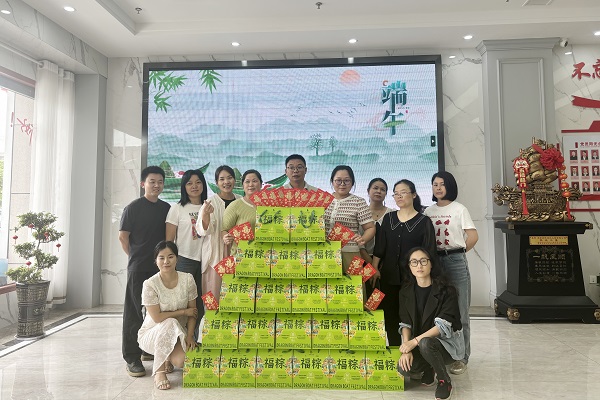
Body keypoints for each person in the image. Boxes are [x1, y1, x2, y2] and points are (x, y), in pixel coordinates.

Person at [424, 171, 478, 375]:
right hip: (435, 261)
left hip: (455, 261)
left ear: (450, 186)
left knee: (461, 311)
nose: (438, 188)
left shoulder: (459, 209)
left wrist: (459, 253)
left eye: (442, 184)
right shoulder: (428, 211)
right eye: (435, 184)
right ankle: (442, 353)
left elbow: (472, 236)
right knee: (437, 310)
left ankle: (462, 357)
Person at [119, 166, 171, 377]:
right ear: (143, 184)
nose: (156, 185)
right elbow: (123, 237)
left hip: (160, 268)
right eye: (152, 181)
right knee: (134, 312)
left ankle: (146, 348)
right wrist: (135, 257)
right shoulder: (133, 208)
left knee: (155, 311)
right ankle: (132, 357)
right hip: (138, 267)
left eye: (160, 182)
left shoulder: (166, 208)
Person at [371, 179, 436, 346]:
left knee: (413, 315)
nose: (399, 196)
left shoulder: (424, 222)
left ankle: (413, 351)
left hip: (413, 279)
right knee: (390, 315)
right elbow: (380, 247)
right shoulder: (388, 218)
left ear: (413, 195)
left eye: (403, 192)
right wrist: (375, 268)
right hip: (389, 277)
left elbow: (430, 252)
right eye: (396, 194)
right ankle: (394, 350)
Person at [397, 247, 464, 400]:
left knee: (426, 343)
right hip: (421, 344)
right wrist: (406, 349)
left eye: (423, 261)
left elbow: (442, 327)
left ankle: (444, 381)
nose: (419, 266)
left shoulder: (447, 290)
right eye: (414, 262)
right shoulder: (405, 292)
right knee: (404, 369)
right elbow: (405, 323)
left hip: (445, 346)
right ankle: (429, 367)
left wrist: (414, 342)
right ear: (409, 266)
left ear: (431, 264)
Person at [138, 241, 198, 390]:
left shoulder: (188, 279)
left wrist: (190, 336)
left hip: (177, 333)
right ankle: (159, 372)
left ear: (177, 258)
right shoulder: (150, 284)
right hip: (152, 333)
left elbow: (193, 312)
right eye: (161, 258)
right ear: (156, 261)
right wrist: (182, 312)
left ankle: (167, 358)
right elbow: (157, 318)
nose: (166, 261)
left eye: (170, 256)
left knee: (181, 361)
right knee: (170, 321)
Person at [165, 169, 212, 340]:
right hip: (184, 260)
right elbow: (169, 241)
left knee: (200, 303)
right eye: (189, 183)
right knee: (181, 303)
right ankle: (177, 341)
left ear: (203, 185)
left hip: (206, 261)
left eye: (198, 182)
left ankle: (194, 340)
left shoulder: (209, 207)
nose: (194, 186)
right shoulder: (177, 209)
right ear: (183, 186)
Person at [195, 165, 241, 304]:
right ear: (216, 182)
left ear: (234, 180)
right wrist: (205, 215)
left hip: (236, 254)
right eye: (222, 179)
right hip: (215, 255)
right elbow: (201, 230)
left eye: (229, 178)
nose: (226, 182)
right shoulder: (210, 203)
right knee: (212, 297)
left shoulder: (241, 200)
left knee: (235, 296)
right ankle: (210, 317)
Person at [324, 165, 375, 273]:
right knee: (327, 283)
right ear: (332, 181)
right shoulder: (324, 199)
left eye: (347, 181)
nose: (342, 184)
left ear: (352, 182)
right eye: (338, 180)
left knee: (352, 283)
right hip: (325, 253)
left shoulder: (358, 202)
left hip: (350, 252)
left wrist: (362, 239)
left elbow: (370, 228)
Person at [222, 169, 263, 254]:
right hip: (241, 257)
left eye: (254, 181)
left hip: (264, 256)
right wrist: (226, 237)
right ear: (243, 185)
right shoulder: (235, 205)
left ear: (261, 184)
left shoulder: (270, 205)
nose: (251, 184)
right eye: (247, 182)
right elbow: (225, 229)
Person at [359, 178, 394, 265]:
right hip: (362, 258)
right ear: (368, 191)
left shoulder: (392, 213)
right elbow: (358, 241)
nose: (378, 191)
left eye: (383, 190)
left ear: (386, 194)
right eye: (375, 188)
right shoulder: (360, 213)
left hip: (386, 261)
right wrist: (371, 264)